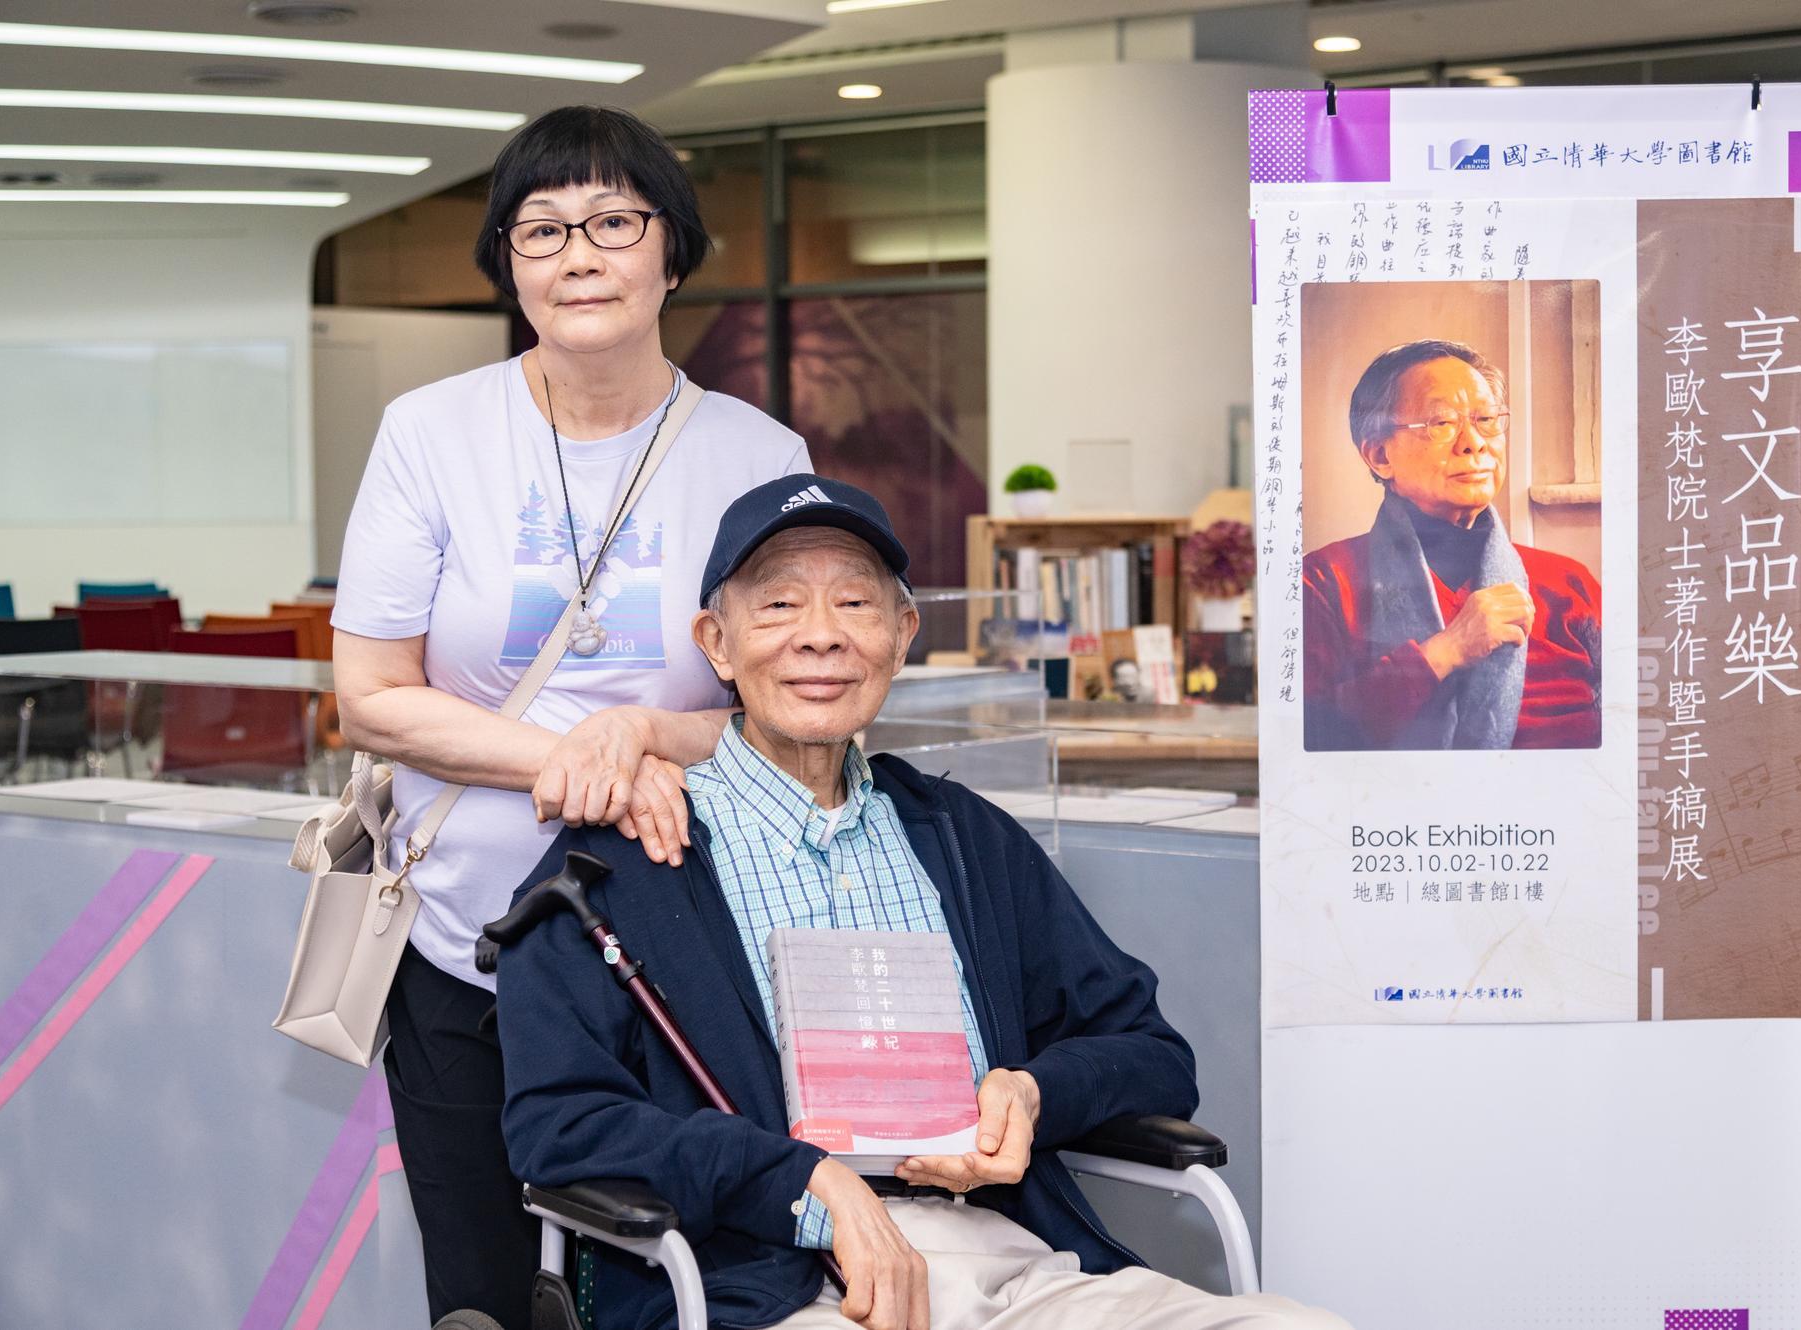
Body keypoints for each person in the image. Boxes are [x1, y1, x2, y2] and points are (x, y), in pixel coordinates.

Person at [496, 475, 1352, 1330]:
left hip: (1007, 1264)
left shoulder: (966, 841)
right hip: (752, 1284)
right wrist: (798, 1177)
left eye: (856, 604)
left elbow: (1152, 1052)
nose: (821, 638)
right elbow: (558, 1124)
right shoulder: (616, 869)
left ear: (901, 636)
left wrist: (1031, 1093)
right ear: (716, 644)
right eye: (780, 605)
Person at [329, 106, 810, 1327]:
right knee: (483, 1297)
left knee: (678, 1287)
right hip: (460, 949)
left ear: (671, 251)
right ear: (507, 262)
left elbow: (794, 717)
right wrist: (574, 753)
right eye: (539, 229)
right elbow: (372, 697)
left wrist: (643, 734)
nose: (577, 254)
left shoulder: (758, 455)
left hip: (679, 957)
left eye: (612, 220)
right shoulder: (430, 434)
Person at [1301, 339, 1601, 752]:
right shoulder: (1324, 580)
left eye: (1486, 419)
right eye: (1441, 423)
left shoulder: (1568, 582)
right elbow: (1311, 739)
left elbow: (1638, 720)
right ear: (1379, 455)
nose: (1473, 443)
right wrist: (1444, 652)